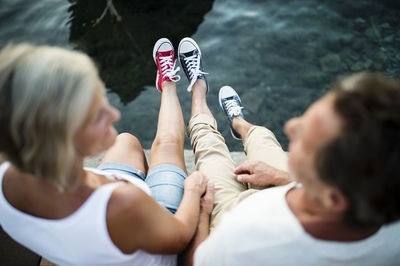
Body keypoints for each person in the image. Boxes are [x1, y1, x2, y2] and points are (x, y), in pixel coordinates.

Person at [176, 38, 400, 265]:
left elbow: (195, 262)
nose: (290, 126)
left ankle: (198, 90)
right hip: (288, 186)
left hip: (231, 214)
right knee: (261, 136)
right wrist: (283, 178)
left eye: (305, 139)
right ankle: (238, 122)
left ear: (333, 198)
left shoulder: (242, 240)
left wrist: (203, 213)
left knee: (208, 147)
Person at [0, 41, 214, 266]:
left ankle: (166, 81)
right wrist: (193, 191)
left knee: (126, 141)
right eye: (97, 115)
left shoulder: (7, 170)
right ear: (66, 140)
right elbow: (179, 238)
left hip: (100, 234)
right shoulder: (122, 204)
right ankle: (175, 86)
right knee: (167, 143)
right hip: (151, 233)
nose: (113, 115)